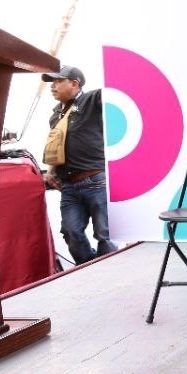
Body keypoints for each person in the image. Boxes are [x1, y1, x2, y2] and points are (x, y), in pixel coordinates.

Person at [42, 65, 116, 264]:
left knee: (105, 235)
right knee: (70, 232)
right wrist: (50, 171)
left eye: (58, 81)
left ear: (75, 84)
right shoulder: (55, 115)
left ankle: (109, 272)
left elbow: (117, 90)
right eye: (52, 82)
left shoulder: (92, 100)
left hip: (96, 180)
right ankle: (90, 270)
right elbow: (56, 147)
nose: (53, 86)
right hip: (69, 186)